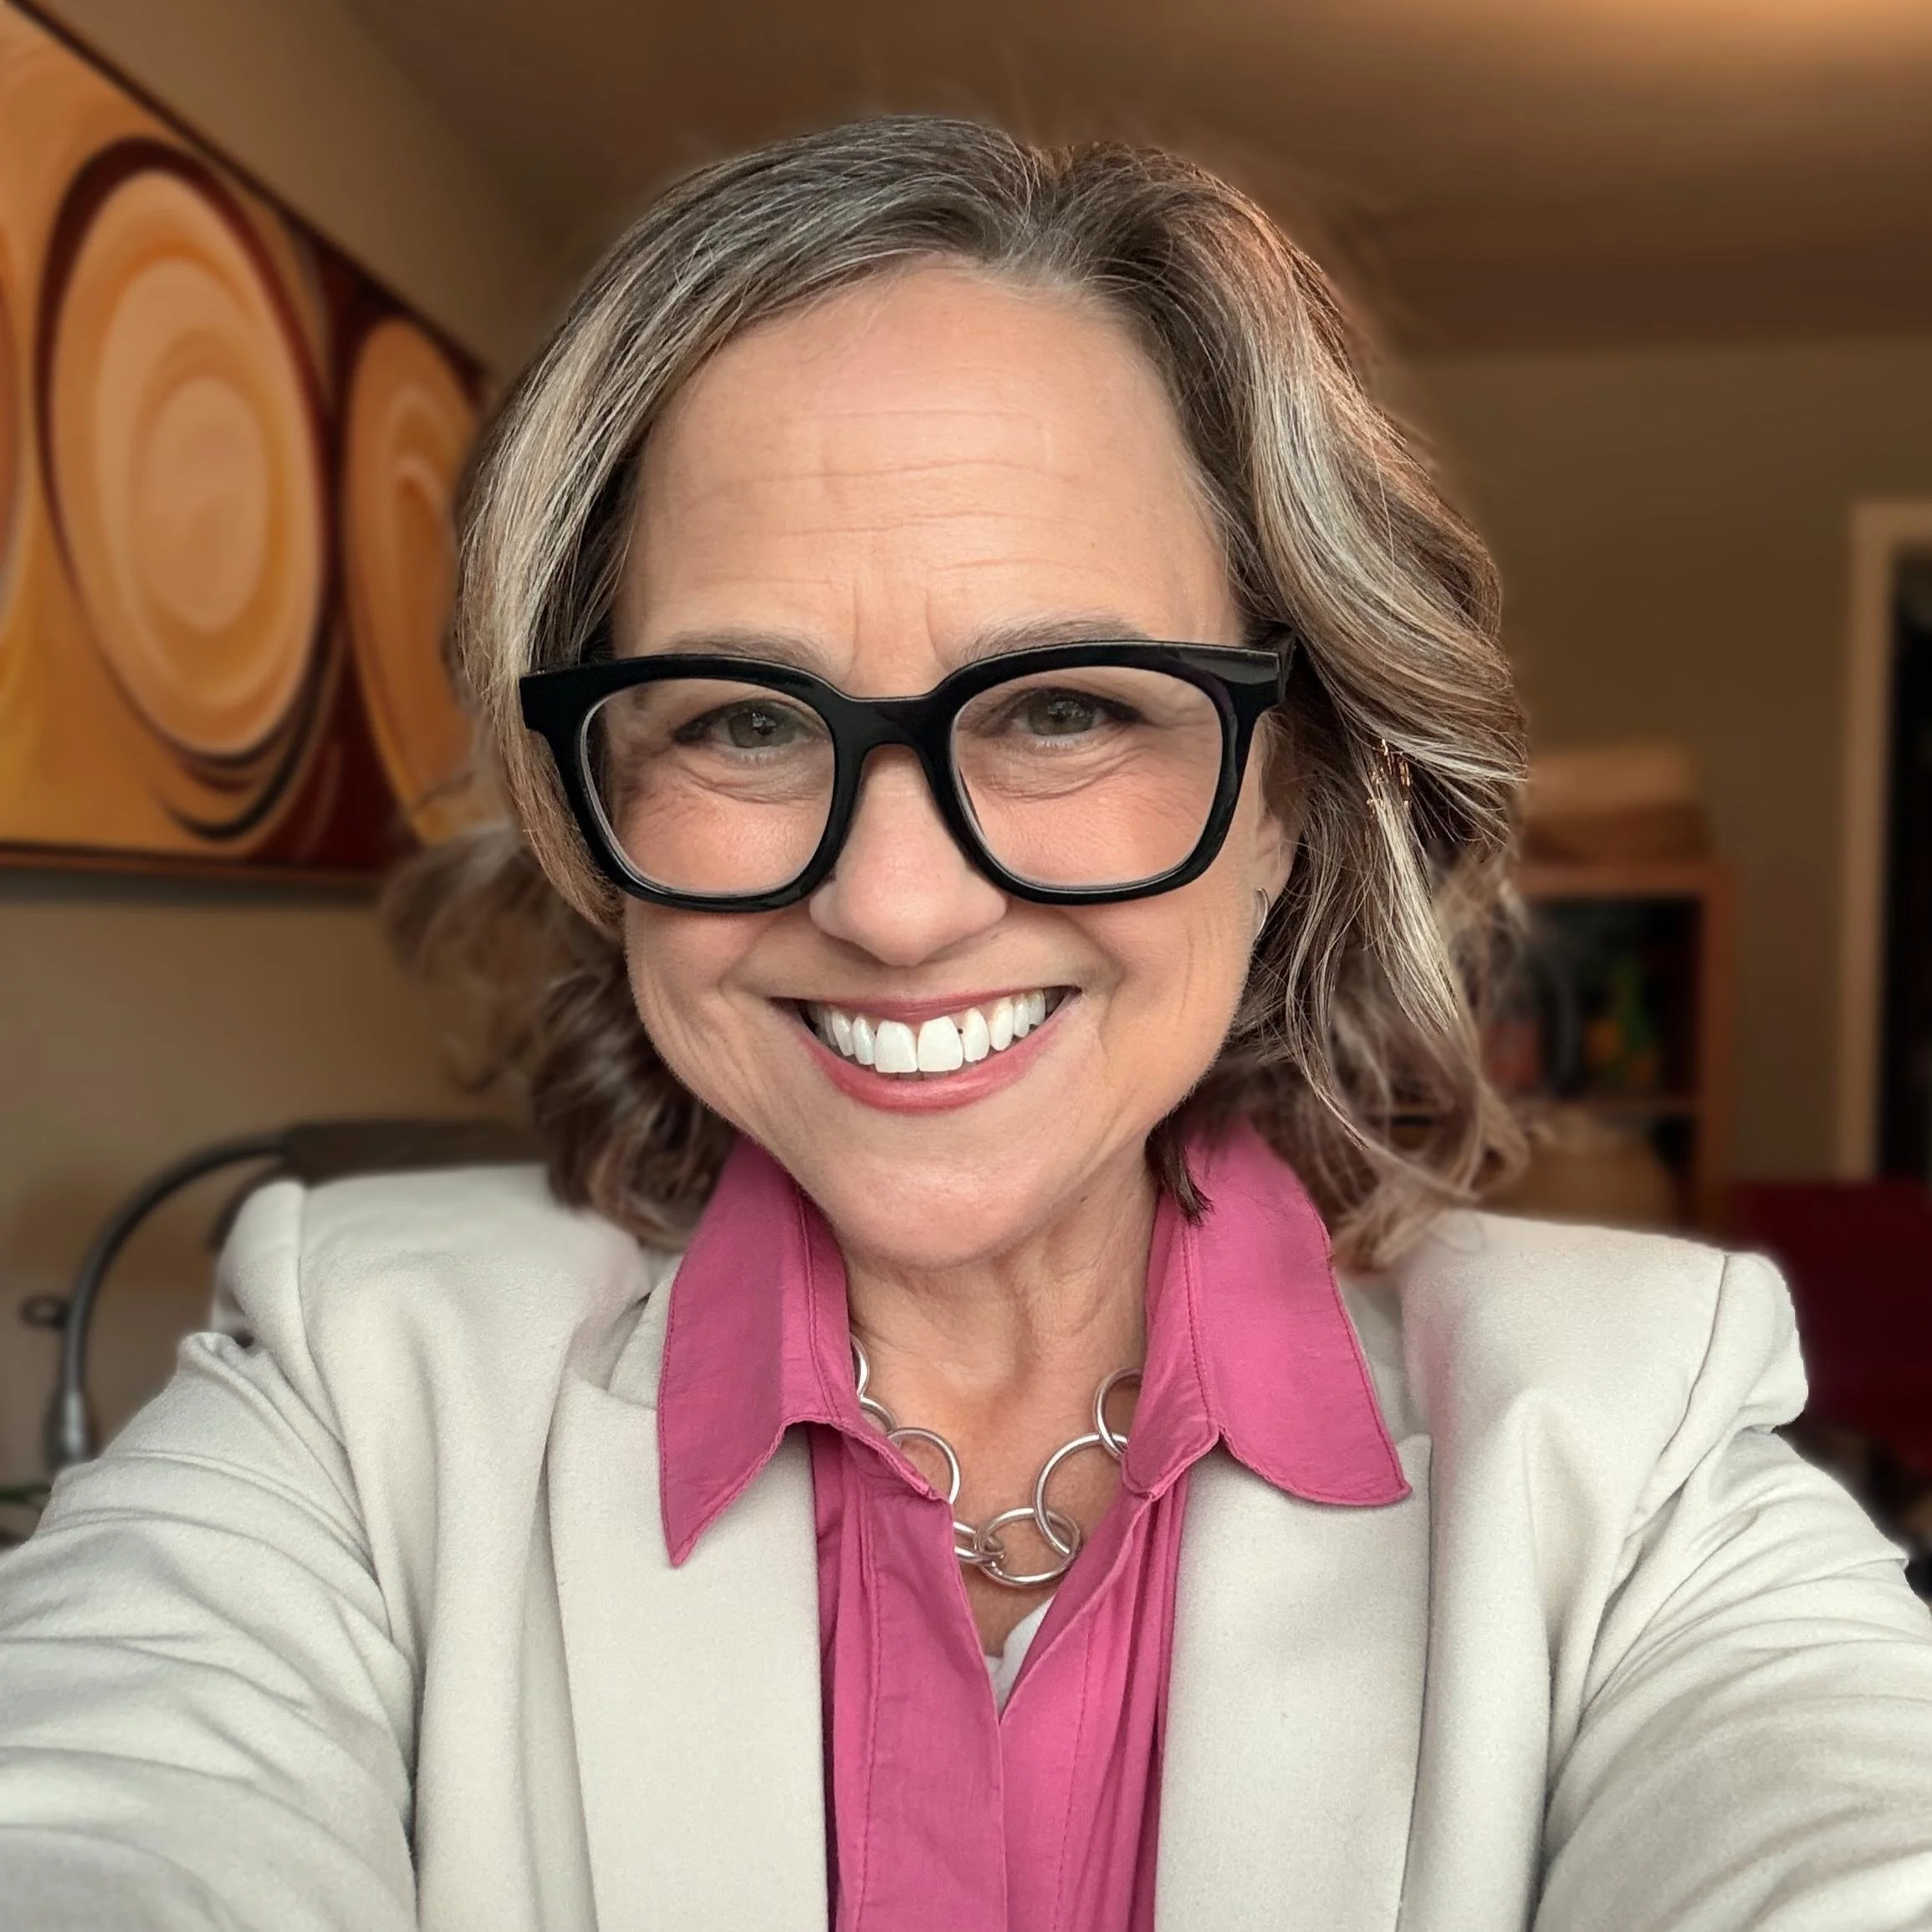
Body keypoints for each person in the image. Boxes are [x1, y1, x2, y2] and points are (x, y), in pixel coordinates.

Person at [2, 116, 1929, 1932]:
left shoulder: (1628, 1444)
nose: (898, 907)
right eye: (744, 721)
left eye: (1067, 708)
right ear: (597, 811)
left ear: (1290, 793)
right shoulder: (350, 1388)